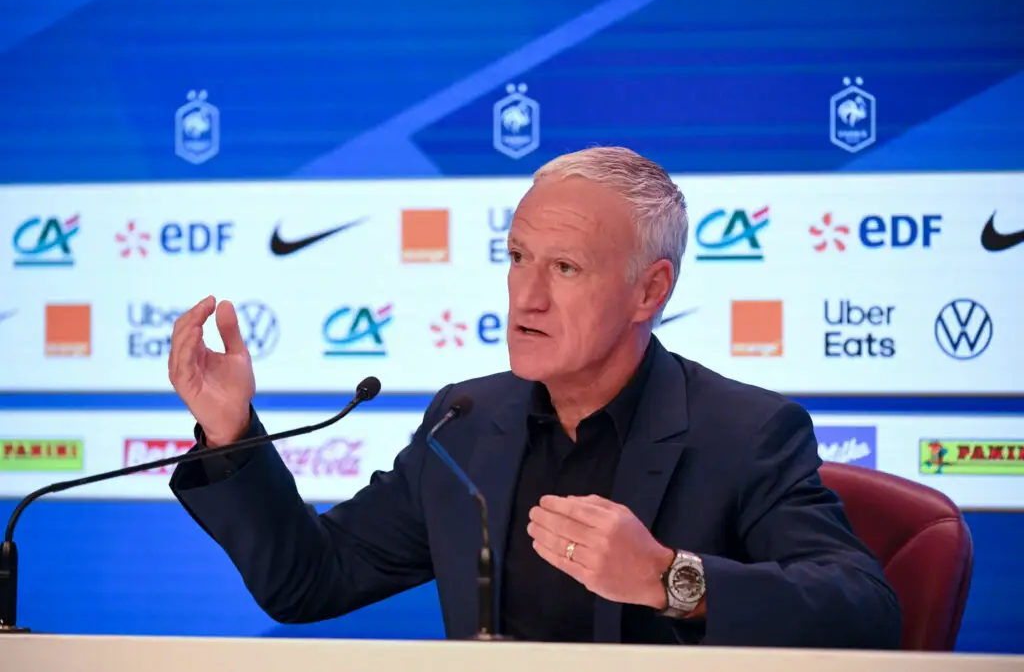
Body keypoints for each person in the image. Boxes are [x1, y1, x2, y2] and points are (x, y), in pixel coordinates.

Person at [167, 146, 902, 647]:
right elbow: (311, 580)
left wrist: (667, 578)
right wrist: (231, 432)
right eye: (518, 257)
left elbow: (867, 612)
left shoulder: (746, 432)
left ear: (650, 291)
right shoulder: (464, 424)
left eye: (566, 268)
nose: (527, 296)